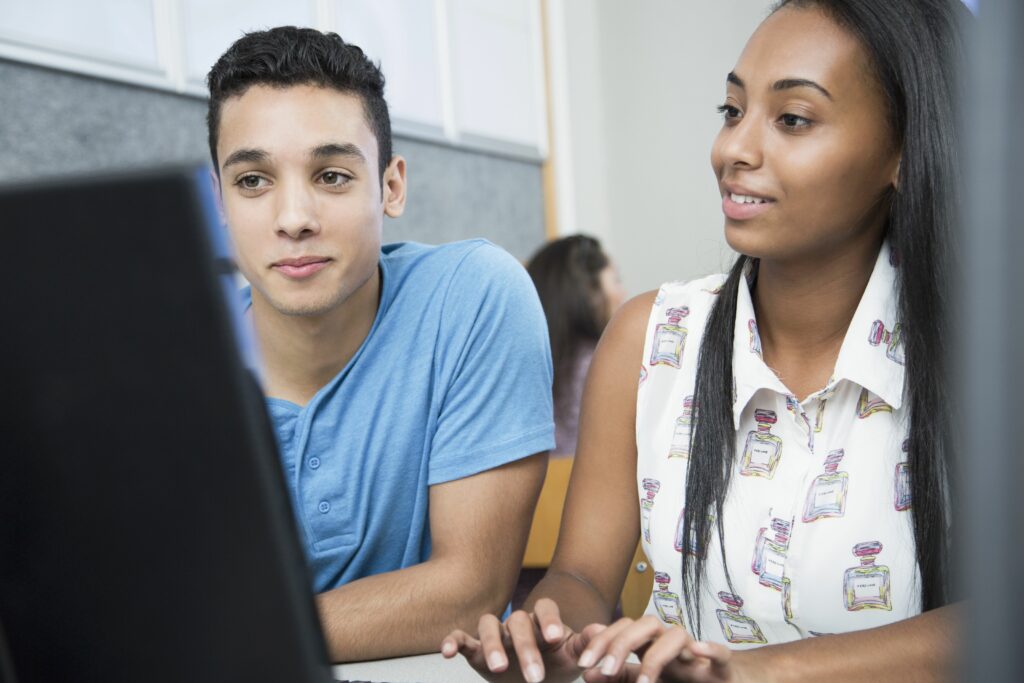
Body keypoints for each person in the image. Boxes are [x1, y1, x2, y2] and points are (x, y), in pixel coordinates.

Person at [442, 1, 963, 681]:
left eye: (793, 119)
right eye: (731, 111)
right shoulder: (647, 340)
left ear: (901, 150)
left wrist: (742, 672)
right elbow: (580, 575)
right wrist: (550, 634)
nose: (732, 150)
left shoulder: (983, 353)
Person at [205, 26, 554, 662]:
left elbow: (468, 592)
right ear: (219, 200)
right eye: (253, 181)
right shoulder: (178, 357)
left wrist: (230, 636)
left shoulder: (472, 296)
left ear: (391, 186)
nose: (293, 218)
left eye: (332, 175)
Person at [527, 235, 626, 456]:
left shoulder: (524, 368)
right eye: (616, 280)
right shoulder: (603, 364)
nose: (622, 294)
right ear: (590, 292)